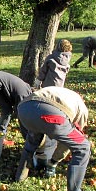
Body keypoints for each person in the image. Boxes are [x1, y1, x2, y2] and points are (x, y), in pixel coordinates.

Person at [15, 86, 95, 191]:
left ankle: (20, 176)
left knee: (33, 140)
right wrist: (54, 161)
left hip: (24, 109)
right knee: (83, 147)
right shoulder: (82, 110)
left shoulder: (63, 93)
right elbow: (70, 143)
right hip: (50, 114)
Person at [33, 39, 73, 177]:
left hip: (48, 88)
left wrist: (38, 82)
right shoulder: (67, 61)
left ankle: (42, 136)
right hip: (60, 90)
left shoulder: (51, 58)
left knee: (45, 107)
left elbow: (44, 70)